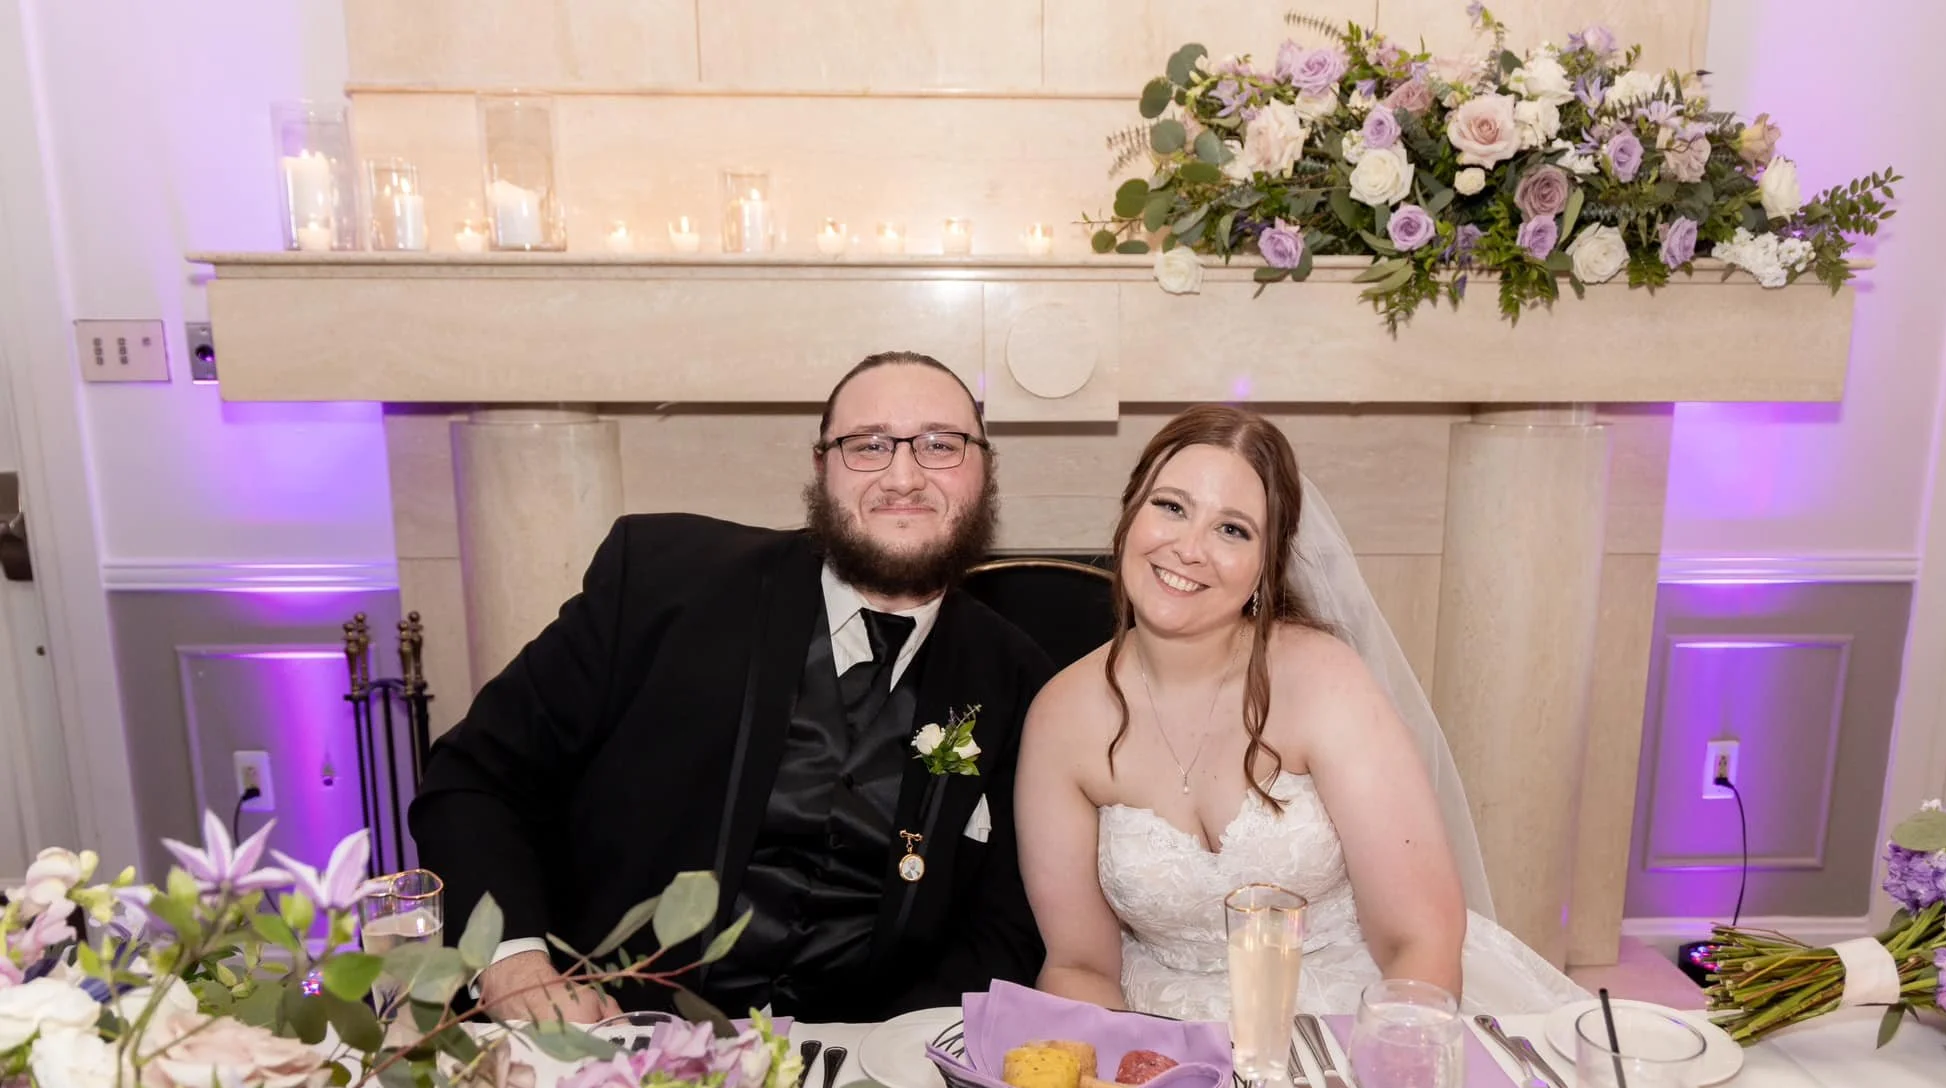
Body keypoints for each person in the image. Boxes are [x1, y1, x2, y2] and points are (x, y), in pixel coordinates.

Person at [412, 352, 1054, 1025]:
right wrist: (514, 966)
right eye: (866, 445)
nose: (903, 475)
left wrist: (900, 1052)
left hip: (860, 1071)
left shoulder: (1016, 678)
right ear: (820, 469)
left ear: (985, 471)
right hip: (611, 1034)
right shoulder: (661, 585)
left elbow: (1004, 927)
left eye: (940, 446)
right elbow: (476, 778)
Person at [1015, 404, 1581, 1020]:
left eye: (1233, 530)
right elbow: (1081, 966)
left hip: (1356, 1016)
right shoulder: (1062, 718)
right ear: (1129, 516)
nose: (1189, 548)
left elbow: (1419, 938)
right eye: (1171, 507)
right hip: (1162, 1036)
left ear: (1266, 565)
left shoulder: (1324, 682)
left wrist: (1383, 1080)